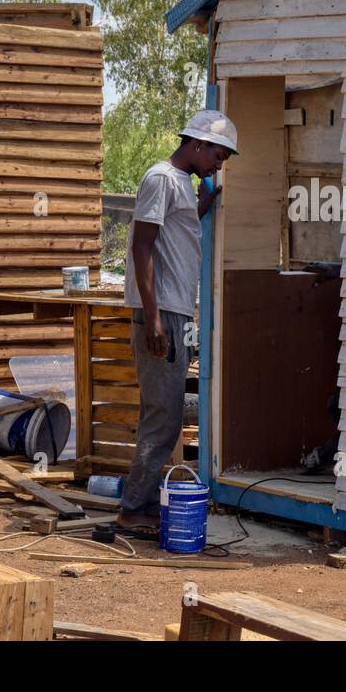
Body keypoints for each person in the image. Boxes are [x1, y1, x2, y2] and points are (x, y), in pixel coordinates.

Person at [116, 110, 236, 529]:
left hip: (176, 310)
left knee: (162, 413)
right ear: (197, 144)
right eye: (217, 156)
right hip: (162, 311)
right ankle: (134, 509)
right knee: (163, 416)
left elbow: (173, 233)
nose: (219, 165)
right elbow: (142, 246)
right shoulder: (161, 178)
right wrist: (153, 318)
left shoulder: (181, 183)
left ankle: (143, 504)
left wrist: (201, 206)